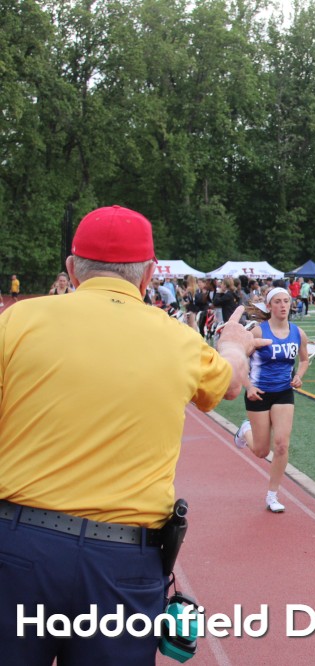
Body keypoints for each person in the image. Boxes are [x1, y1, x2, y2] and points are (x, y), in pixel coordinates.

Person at [0, 205, 263, 663]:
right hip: (122, 558)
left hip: (18, 545)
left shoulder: (17, 321)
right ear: (147, 275)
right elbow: (230, 384)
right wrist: (233, 345)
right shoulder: (178, 339)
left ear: (72, 269)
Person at [233, 287, 309, 513]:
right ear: (269, 306)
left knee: (282, 445)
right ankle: (245, 430)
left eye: (286, 301)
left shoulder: (298, 333)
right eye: (277, 302)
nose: (283, 306)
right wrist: (248, 386)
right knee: (261, 451)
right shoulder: (258, 332)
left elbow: (304, 360)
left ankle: (272, 495)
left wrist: (299, 375)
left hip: (284, 392)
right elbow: (238, 359)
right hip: (259, 393)